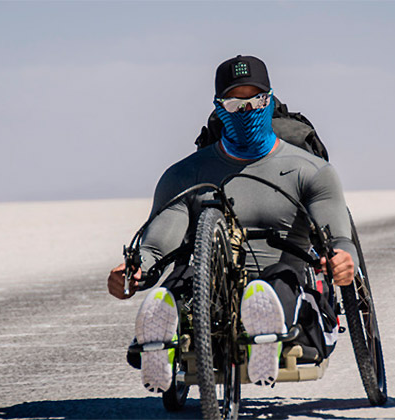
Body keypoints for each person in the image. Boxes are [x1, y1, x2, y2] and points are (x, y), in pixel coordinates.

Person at [108, 55, 356, 393]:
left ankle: (266, 332)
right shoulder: (186, 174)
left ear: (270, 101)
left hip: (283, 276)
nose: (247, 110)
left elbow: (338, 233)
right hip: (212, 283)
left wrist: (342, 258)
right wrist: (135, 271)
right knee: (185, 276)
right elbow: (158, 243)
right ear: (218, 107)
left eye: (256, 100)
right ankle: (161, 327)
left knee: (277, 282)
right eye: (234, 102)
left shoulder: (309, 170)